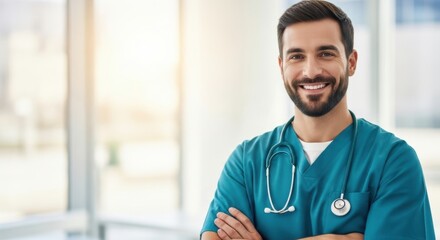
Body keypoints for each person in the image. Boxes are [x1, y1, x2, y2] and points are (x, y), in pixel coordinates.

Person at [200, 0, 436, 239]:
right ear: (281, 67)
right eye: (296, 56)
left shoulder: (393, 161)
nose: (311, 70)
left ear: (351, 62)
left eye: (325, 53)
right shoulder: (247, 162)